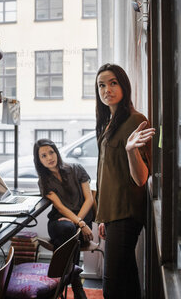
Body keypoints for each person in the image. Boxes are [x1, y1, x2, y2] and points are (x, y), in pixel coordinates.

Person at [94, 63, 155, 298]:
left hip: (127, 213)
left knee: (112, 286)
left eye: (113, 83)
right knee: (128, 276)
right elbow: (107, 173)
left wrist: (131, 151)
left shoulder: (136, 120)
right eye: (101, 85)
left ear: (124, 86)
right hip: (113, 212)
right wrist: (103, 215)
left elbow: (141, 179)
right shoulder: (109, 122)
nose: (106, 89)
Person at [33, 138, 94, 299]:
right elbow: (59, 207)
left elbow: (89, 199)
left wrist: (79, 223)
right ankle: (75, 284)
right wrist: (78, 223)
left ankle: (58, 285)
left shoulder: (76, 169)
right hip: (58, 223)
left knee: (68, 234)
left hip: (80, 224)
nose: (49, 158)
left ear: (57, 152)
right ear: (39, 160)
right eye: (43, 156)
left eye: (51, 152)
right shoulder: (44, 181)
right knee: (68, 230)